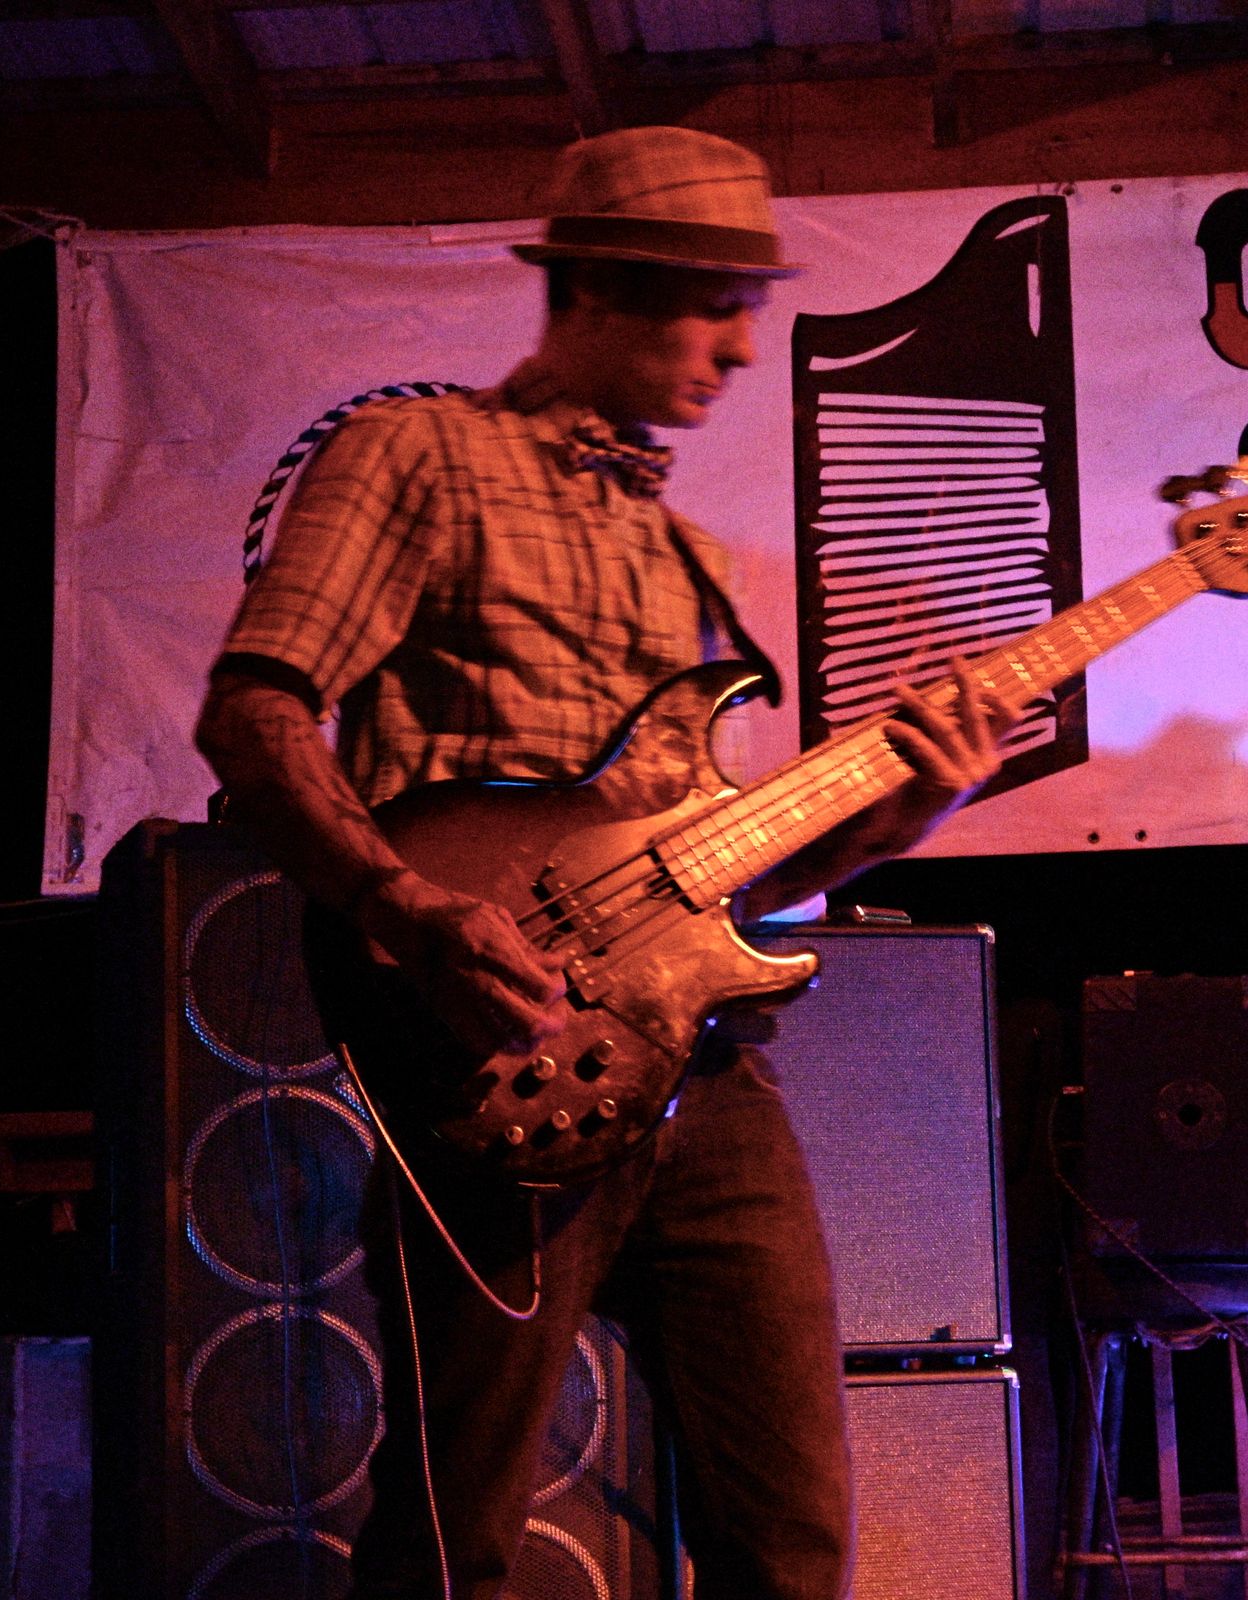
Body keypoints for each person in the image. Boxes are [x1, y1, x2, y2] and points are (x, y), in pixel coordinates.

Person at [195, 125, 1013, 1600]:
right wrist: (406, 906)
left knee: (792, 1536)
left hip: (706, 1077)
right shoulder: (418, 456)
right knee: (457, 1535)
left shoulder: (683, 558)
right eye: (715, 308)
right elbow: (255, 712)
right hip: (492, 1054)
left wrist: (911, 805)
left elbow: (722, 885)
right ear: (593, 292)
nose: (743, 350)